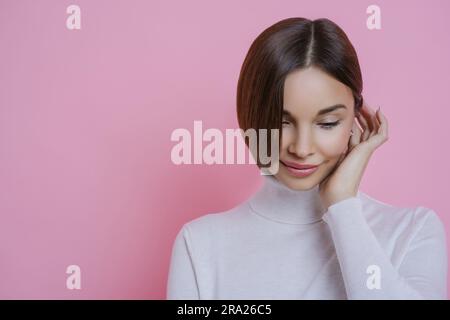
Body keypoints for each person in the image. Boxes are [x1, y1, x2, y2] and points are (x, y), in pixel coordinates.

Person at [166, 17, 448, 299]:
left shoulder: (411, 232)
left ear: (355, 119)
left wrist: (342, 206)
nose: (301, 148)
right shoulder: (200, 245)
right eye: (281, 122)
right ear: (250, 116)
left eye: (327, 123)